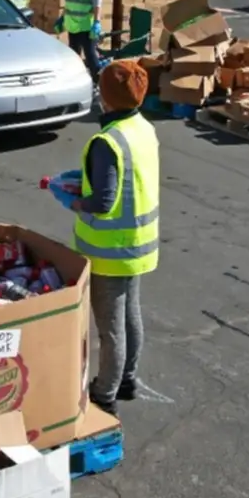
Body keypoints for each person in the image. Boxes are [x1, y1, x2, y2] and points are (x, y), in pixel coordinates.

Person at [50, 59, 159, 415]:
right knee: (130, 316)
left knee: (111, 328)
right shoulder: (142, 128)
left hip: (109, 252)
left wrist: (74, 201)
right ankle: (127, 379)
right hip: (138, 245)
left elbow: (102, 201)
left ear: (107, 98)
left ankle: (105, 393)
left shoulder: (106, 142)